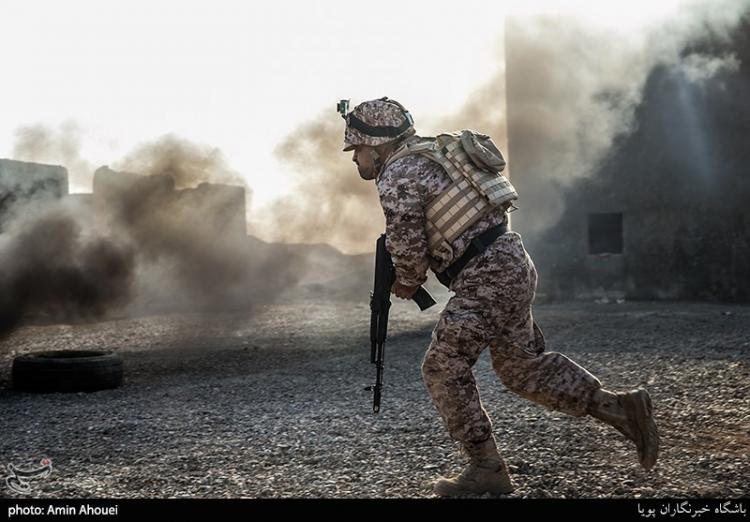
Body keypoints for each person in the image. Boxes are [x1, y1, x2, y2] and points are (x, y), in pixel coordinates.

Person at [340, 97, 659, 497]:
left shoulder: (398, 173)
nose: (355, 160)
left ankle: (486, 467)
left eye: (357, 150)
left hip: (485, 274)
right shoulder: (440, 151)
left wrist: (404, 281)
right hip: (512, 261)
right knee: (521, 368)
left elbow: (408, 251)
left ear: (376, 142)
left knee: (442, 366)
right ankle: (621, 408)